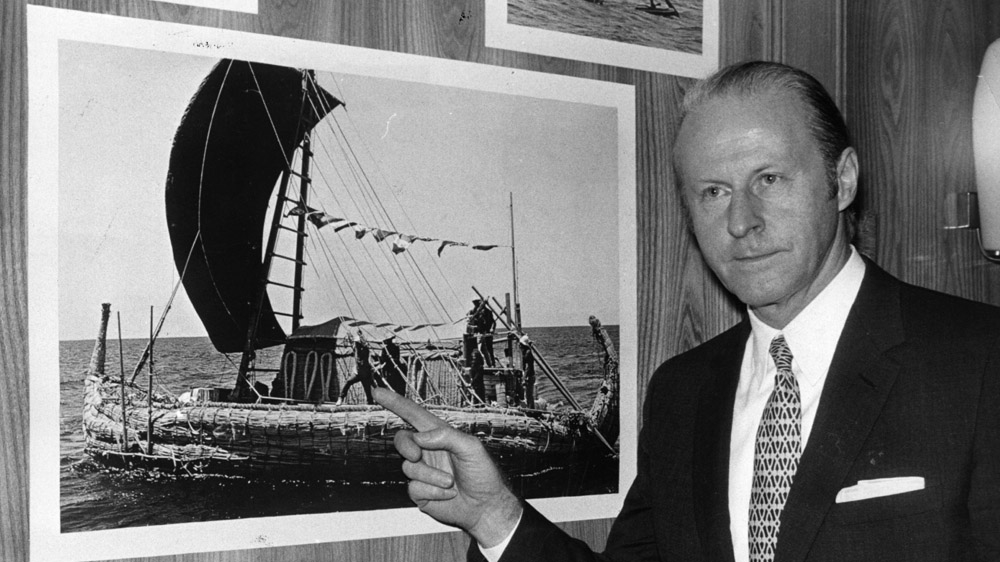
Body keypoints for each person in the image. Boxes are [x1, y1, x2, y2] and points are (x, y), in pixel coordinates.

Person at [375, 61, 1000, 562]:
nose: (741, 221)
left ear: (843, 180)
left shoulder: (980, 362)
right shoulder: (682, 393)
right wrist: (494, 516)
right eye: (713, 192)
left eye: (770, 179)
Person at [337, 331, 375, 405]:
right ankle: (341, 398)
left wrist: (361, 336)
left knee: (368, 390)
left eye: (357, 343)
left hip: (365, 374)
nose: (356, 344)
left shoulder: (365, 350)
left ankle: (370, 402)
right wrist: (349, 335)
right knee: (348, 382)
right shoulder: (356, 348)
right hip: (357, 373)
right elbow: (352, 342)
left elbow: (365, 344)